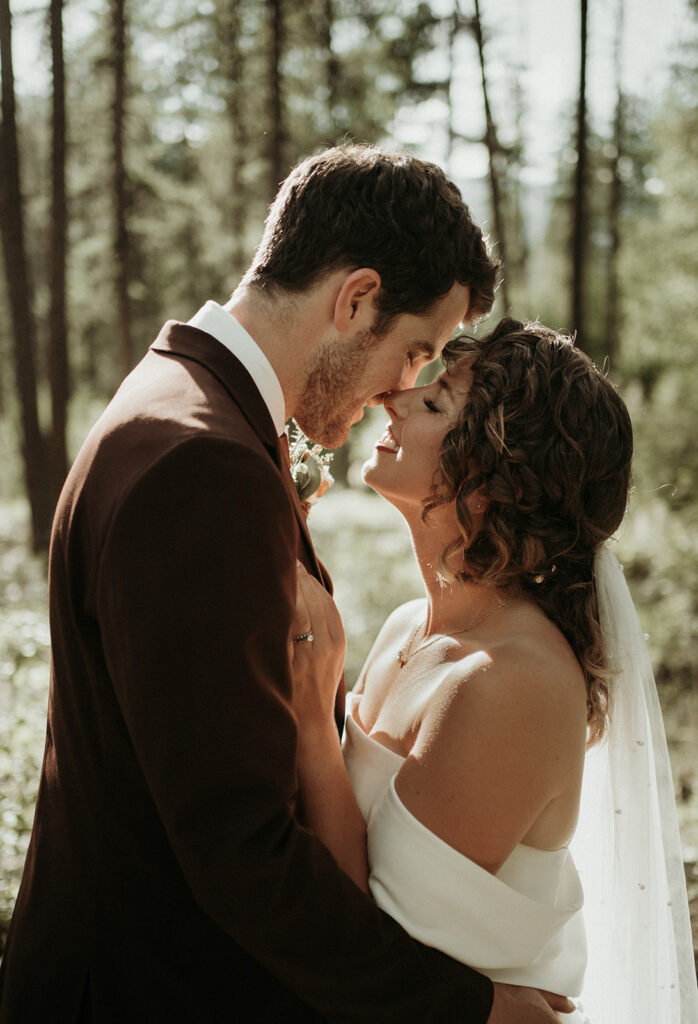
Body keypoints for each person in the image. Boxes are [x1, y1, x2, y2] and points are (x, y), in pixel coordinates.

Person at [0, 147, 571, 1023]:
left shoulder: (182, 400)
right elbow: (242, 850)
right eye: (414, 349)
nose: (403, 389)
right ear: (355, 299)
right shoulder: (203, 467)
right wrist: (472, 1010)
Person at [292, 318, 698, 1023]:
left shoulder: (509, 682)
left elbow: (370, 949)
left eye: (438, 402)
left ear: (487, 485)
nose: (398, 398)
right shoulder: (404, 631)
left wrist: (309, 718)